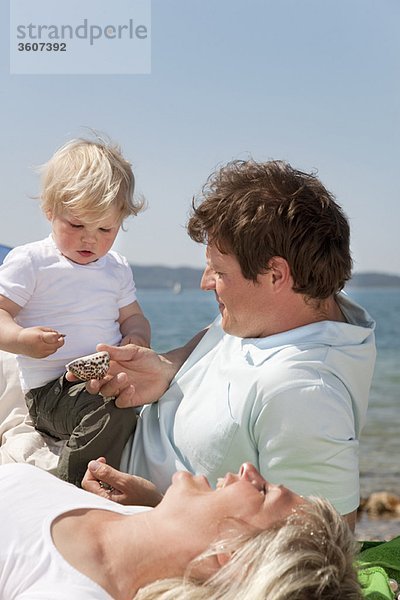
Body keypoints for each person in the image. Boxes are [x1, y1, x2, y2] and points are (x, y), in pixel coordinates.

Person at [74, 159, 376, 530]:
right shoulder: (280, 313)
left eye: (219, 272)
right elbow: (221, 340)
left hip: (136, 526)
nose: (205, 283)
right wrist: (171, 367)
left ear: (276, 274)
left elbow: (318, 553)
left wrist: (159, 509)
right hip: (101, 451)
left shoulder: (304, 393)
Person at [0, 138, 150, 486]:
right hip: (51, 393)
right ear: (50, 211)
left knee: (142, 392)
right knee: (109, 410)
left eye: (105, 229)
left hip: (99, 378)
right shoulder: (32, 261)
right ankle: (73, 483)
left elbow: (133, 316)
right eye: (77, 225)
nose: (90, 240)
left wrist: (137, 336)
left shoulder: (116, 268)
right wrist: (22, 340)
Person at [0, 461, 362, 599]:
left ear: (232, 554)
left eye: (262, 490)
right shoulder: (135, 519)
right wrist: (158, 507)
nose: (249, 469)